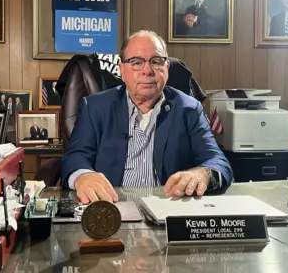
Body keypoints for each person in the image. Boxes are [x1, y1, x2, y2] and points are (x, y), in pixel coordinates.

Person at [61, 30, 232, 204]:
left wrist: (202, 173)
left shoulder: (189, 109)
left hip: (168, 210)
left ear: (166, 68)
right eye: (136, 62)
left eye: (156, 61)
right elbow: (75, 156)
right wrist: (83, 176)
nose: (147, 71)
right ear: (122, 70)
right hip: (110, 209)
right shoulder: (95, 107)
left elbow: (217, 161)